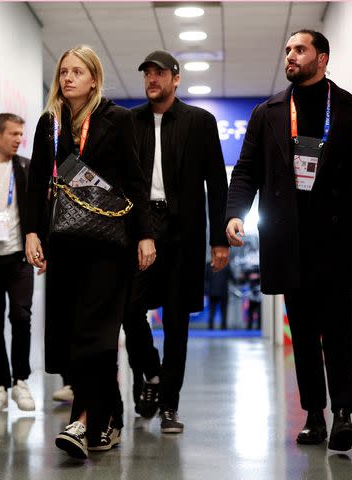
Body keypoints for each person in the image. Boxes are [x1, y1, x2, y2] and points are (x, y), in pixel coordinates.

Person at [226, 29, 352, 452]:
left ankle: (343, 414)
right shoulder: (270, 112)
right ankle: (314, 414)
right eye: (287, 50)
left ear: (322, 58)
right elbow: (245, 170)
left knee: (338, 327)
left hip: (337, 236)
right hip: (289, 237)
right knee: (301, 329)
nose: (290, 56)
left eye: (300, 49)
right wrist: (234, 214)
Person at [25, 45, 155, 459]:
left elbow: (135, 182)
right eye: (63, 71)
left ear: (94, 79)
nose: (67, 78)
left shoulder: (116, 120)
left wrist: (144, 236)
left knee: (94, 336)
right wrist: (32, 233)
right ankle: (108, 418)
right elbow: (34, 186)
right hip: (63, 243)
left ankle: (81, 420)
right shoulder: (50, 124)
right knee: (71, 337)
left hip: (107, 246)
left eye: (77, 71)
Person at [123, 50, 230, 433]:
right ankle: (152, 371)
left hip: (183, 231)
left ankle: (169, 404)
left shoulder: (199, 122)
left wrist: (219, 240)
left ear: (175, 78)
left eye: (159, 73)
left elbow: (218, 183)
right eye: (147, 74)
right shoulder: (128, 121)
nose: (152, 79)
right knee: (128, 308)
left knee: (177, 320)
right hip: (138, 227)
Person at [0, 113, 36, 413]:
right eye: (13, 134)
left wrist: (42, 248)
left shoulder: (26, 168)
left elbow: (39, 213)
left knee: (21, 317)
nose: (18, 139)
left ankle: (21, 381)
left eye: (20, 134)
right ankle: (0, 385)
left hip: (19, 258)